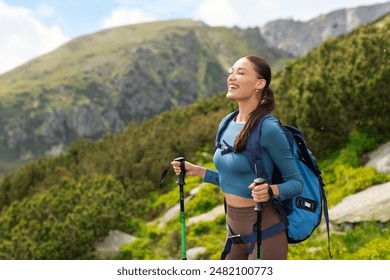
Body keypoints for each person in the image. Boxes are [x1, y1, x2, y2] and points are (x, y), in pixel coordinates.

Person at [171, 55, 303, 260]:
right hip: (233, 234)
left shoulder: (268, 128)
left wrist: (270, 190)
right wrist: (197, 171)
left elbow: (296, 183)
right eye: (231, 72)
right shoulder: (226, 123)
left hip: (266, 234)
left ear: (260, 83)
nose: (232, 77)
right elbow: (231, 180)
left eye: (241, 73)